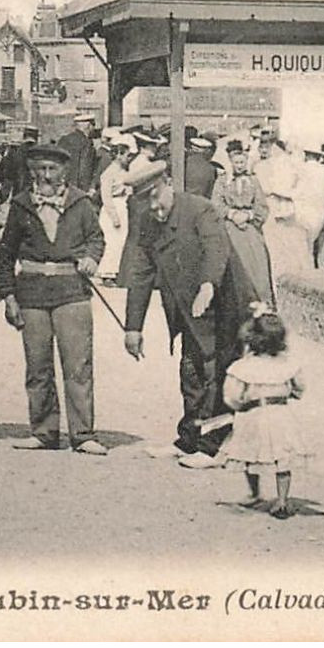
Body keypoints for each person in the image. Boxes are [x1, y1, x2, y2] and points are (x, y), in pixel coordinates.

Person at [121, 160, 259, 469]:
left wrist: (208, 284)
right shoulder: (147, 222)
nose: (154, 209)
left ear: (167, 183)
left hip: (226, 303)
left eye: (156, 198)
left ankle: (213, 447)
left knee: (221, 374)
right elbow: (140, 274)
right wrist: (133, 328)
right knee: (192, 370)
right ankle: (189, 439)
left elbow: (215, 249)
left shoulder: (200, 208)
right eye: (146, 202)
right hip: (189, 307)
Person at [0, 143, 107, 455]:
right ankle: (43, 432)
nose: (45, 175)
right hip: (31, 293)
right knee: (38, 366)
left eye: (52, 169)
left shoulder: (81, 203)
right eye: (40, 169)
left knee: (78, 366)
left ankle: (83, 434)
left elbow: (96, 239)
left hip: (72, 292)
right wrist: (8, 296)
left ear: (64, 172)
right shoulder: (21, 205)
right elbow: (6, 255)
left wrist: (90, 258)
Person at [220, 309, 309, 520]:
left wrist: (238, 406)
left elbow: (231, 395)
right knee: (282, 456)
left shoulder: (242, 367)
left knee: (250, 453)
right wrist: (293, 394)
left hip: (253, 414)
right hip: (280, 414)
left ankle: (254, 492)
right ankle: (282, 500)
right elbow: (299, 387)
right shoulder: (287, 365)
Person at [214, 139, 276, 304]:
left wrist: (248, 216)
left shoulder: (253, 181)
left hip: (250, 227)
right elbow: (216, 204)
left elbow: (262, 207)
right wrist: (232, 214)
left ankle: (260, 300)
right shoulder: (222, 180)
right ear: (231, 163)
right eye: (236, 162)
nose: (239, 165)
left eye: (242, 162)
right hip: (229, 226)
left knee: (257, 260)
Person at [255, 136, 312, 278]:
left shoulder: (292, 165)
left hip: (287, 210)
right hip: (273, 209)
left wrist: (284, 193)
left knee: (290, 248)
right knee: (276, 247)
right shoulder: (261, 166)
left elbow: (302, 188)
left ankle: (289, 278)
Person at [97, 135, 136, 282]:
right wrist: (114, 217)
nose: (129, 158)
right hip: (112, 208)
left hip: (122, 206)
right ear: (118, 155)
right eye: (127, 155)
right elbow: (106, 197)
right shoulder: (108, 173)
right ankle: (107, 273)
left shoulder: (123, 171)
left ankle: (116, 272)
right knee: (111, 241)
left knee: (120, 242)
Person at [294, 144, 324, 267]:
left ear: (306, 155)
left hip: (302, 214)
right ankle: (321, 269)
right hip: (321, 214)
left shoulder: (298, 169)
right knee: (321, 247)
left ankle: (309, 272)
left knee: (306, 250)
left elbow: (294, 192)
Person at [0, 126, 39, 205]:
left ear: (24, 136)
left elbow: (5, 177)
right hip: (35, 197)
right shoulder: (40, 154)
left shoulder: (14, 153)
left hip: (17, 195)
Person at [56, 113, 100, 192]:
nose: (93, 129)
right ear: (89, 126)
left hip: (63, 185)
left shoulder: (65, 140)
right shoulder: (87, 143)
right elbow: (85, 168)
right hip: (79, 188)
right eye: (93, 125)